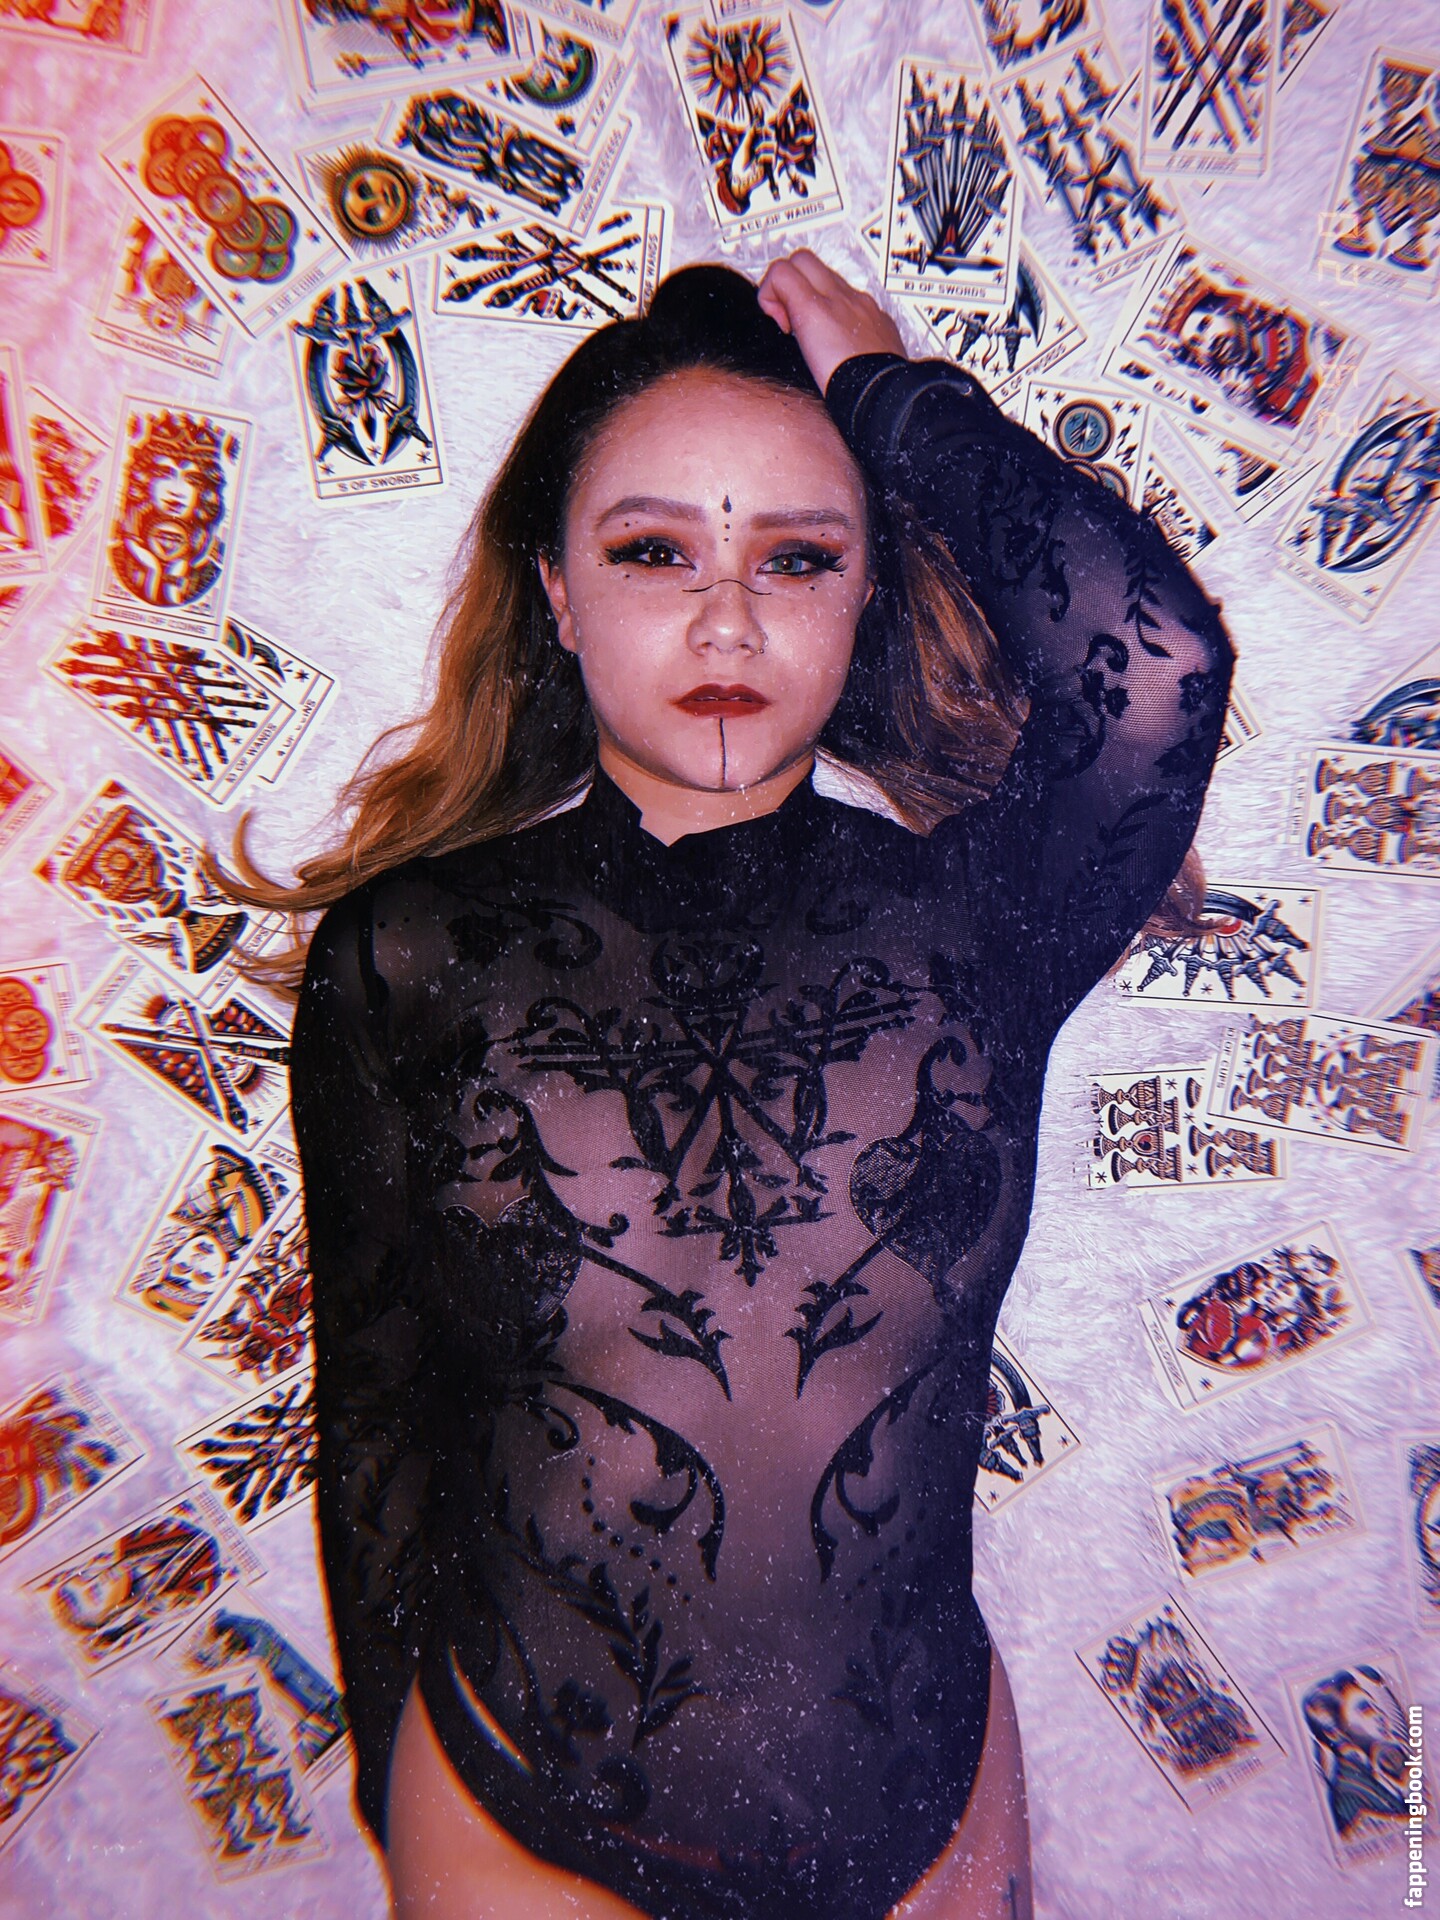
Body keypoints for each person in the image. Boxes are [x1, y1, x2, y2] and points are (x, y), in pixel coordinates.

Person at [271, 250, 1234, 1918]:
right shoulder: (405, 956)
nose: (728, 620)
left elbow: (1153, 668)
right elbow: (377, 1418)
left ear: (865, 596)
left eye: (798, 557)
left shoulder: (974, 926)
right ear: (557, 592)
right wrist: (400, 1778)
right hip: (515, 1822)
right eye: (655, 552)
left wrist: (892, 395)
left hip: (926, 1812)